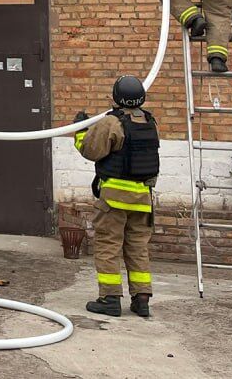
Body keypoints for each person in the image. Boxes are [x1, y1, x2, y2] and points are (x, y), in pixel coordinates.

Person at [73, 75, 159, 318]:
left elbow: (91, 150)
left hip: (113, 199)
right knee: (138, 248)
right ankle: (142, 299)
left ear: (116, 97)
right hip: (143, 198)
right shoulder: (150, 122)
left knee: (108, 246)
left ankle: (110, 298)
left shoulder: (112, 122)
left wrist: (80, 130)